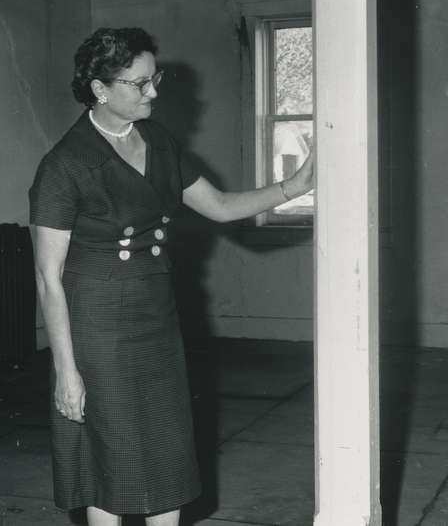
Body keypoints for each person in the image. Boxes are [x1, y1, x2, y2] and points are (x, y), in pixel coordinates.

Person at [29, 27, 313, 526]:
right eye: (140, 84)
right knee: (109, 456)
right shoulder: (65, 165)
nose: (154, 92)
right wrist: (66, 371)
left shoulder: (158, 141)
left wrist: (292, 186)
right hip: (98, 326)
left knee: (167, 449)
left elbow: (221, 207)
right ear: (100, 88)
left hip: (155, 317)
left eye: (154, 78)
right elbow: (48, 278)